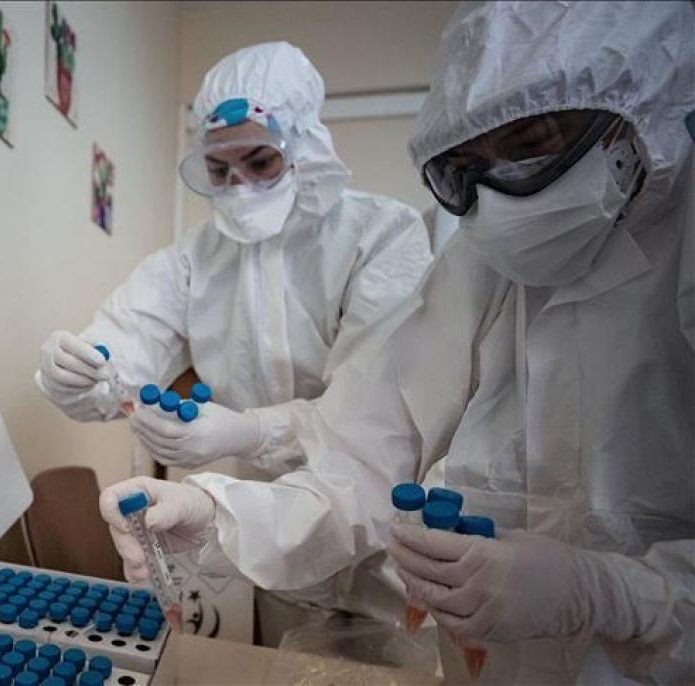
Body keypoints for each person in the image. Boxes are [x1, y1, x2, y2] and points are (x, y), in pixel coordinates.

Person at [99, 1, 694, 682]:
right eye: (464, 164)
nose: (496, 196)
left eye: (531, 140)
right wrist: (215, 514)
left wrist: (622, 596)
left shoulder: (378, 234)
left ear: (635, 109)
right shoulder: (481, 262)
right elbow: (361, 458)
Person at [36, 41, 432, 479]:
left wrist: (253, 432)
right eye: (219, 170)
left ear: (303, 146)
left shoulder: (380, 234)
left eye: (260, 162)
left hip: (372, 487)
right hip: (255, 497)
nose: (239, 186)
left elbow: (373, 408)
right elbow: (124, 346)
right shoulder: (194, 258)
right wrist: (79, 374)